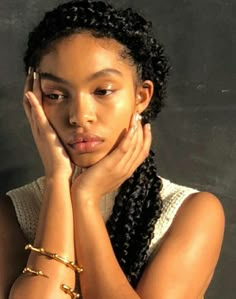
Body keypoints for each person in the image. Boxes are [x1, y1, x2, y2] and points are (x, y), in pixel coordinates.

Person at [0, 0, 225, 298]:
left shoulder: (190, 212)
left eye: (102, 91)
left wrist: (85, 200)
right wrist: (57, 180)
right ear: (34, 102)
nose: (79, 116)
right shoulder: (13, 213)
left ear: (141, 96)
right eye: (55, 95)